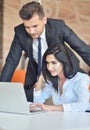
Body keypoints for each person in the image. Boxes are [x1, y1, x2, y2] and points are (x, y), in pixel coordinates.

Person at [0, 1, 90, 102]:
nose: (31, 31)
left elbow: (82, 48)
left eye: (35, 26)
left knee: (70, 106)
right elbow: (11, 61)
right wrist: (2, 88)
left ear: (44, 20)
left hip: (64, 71)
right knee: (28, 104)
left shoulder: (58, 27)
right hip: (36, 74)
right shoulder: (20, 32)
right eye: (27, 27)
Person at [30, 43, 90, 112]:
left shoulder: (81, 79)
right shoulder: (53, 80)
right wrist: (40, 80)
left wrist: (51, 107)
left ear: (64, 62)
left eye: (54, 63)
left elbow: (82, 106)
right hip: (64, 119)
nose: (49, 67)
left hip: (84, 117)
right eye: (47, 63)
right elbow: (38, 102)